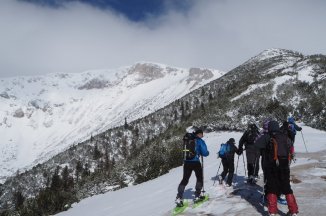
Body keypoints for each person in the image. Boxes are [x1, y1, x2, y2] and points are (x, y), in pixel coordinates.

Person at [255, 120, 299, 216]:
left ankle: (273, 212)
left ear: (269, 128)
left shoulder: (267, 136)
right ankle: (293, 211)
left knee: (271, 188)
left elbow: (256, 145)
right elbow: (291, 146)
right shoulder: (284, 136)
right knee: (287, 187)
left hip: (271, 165)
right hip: (284, 165)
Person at [175, 129, 209, 207]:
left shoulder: (188, 139)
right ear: (199, 134)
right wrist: (206, 153)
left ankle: (179, 197)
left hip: (187, 162)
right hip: (196, 162)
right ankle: (197, 196)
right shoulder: (199, 141)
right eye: (201, 134)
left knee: (185, 179)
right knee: (199, 178)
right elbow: (205, 152)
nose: (202, 135)